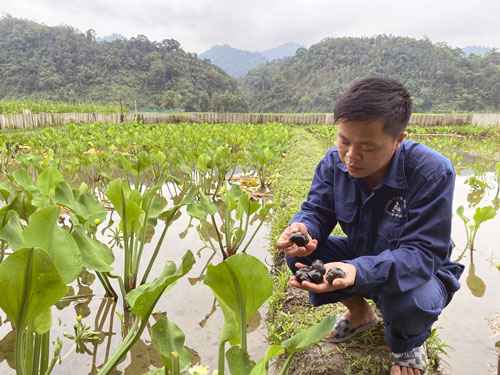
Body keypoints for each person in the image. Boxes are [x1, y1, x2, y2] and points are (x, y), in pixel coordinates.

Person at [276, 77, 464, 375]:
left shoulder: (432, 172)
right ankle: (360, 314)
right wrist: (304, 229)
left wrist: (358, 271)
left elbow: (424, 253)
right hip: (363, 252)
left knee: (408, 304)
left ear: (399, 139)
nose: (351, 156)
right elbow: (317, 209)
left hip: (420, 269)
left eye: (366, 146)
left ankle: (408, 344)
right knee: (299, 254)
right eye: (344, 141)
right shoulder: (333, 163)